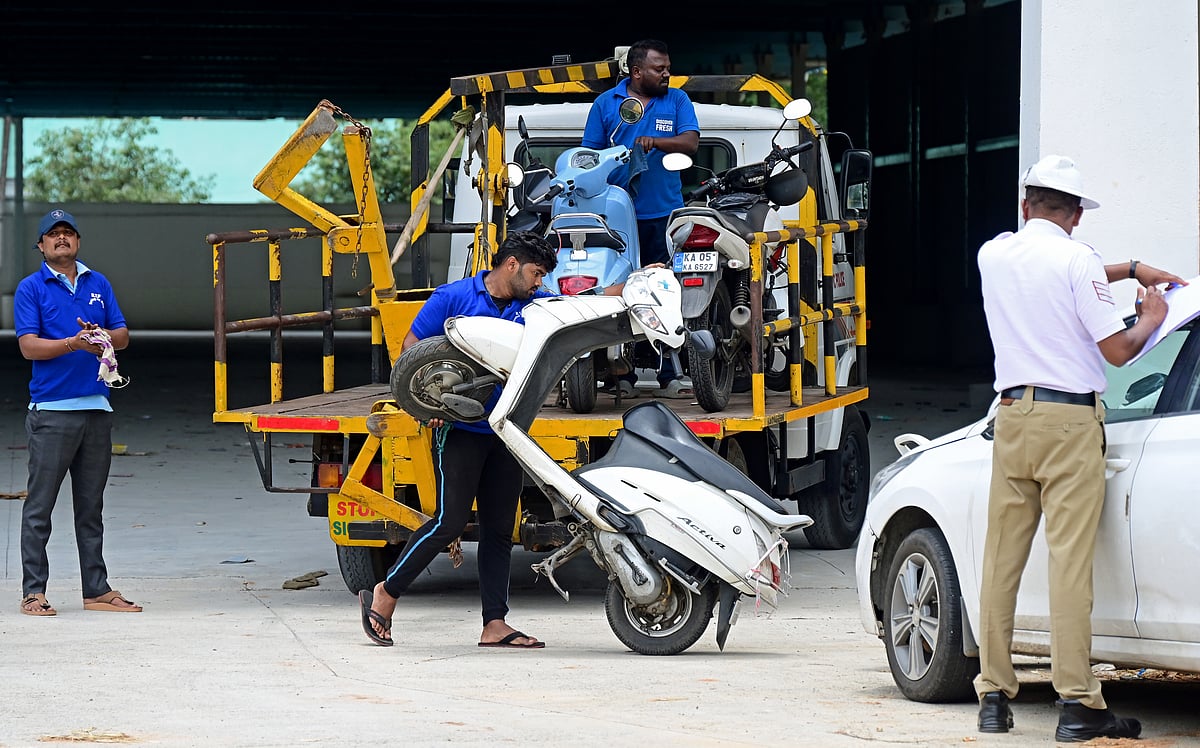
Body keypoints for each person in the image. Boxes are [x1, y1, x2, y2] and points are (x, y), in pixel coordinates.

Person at [974, 155, 1186, 742]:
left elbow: (1062, 270)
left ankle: (993, 696)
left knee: (1000, 564)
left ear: (1026, 205)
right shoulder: (1077, 259)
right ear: (1074, 215)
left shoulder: (994, 254)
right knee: (1068, 565)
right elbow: (1118, 352)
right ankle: (1078, 704)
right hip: (1068, 425)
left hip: (1011, 418)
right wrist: (1153, 312)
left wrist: (1131, 267)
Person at [360, 230, 621, 648]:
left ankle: (494, 624)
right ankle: (386, 592)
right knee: (449, 522)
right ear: (512, 264)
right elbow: (411, 351)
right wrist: (430, 409)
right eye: (536, 273)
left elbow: (578, 308)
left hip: (507, 430)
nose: (540, 283)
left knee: (501, 529)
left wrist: (634, 283)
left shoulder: (534, 306)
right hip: (460, 430)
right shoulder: (453, 298)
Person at [15, 208, 140, 616]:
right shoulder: (30, 288)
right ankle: (34, 592)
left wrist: (103, 337)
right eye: (53, 235)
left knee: (91, 508)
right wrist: (73, 343)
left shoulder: (98, 283)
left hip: (97, 409)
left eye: (68, 233)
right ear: (41, 245)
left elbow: (122, 335)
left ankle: (96, 590)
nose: (61, 239)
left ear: (78, 242)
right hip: (52, 413)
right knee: (40, 508)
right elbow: (29, 346)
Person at [583, 38, 700, 399]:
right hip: (617, 214)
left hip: (663, 212)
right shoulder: (606, 104)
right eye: (658, 68)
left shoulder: (677, 99)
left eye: (667, 67)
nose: (666, 73)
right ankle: (622, 372)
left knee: (666, 289)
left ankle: (669, 372)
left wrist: (655, 142)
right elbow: (589, 157)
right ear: (636, 72)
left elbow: (691, 142)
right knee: (618, 290)